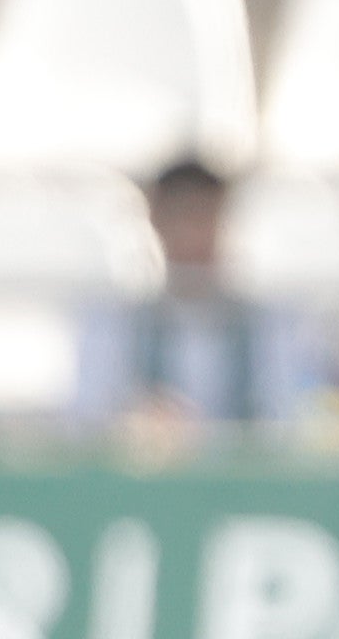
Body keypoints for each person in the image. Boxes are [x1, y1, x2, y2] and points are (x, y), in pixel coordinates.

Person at [79, 158, 325, 437]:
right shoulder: (112, 326)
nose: (191, 236)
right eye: (179, 218)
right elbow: (88, 423)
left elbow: (294, 421)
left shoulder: (275, 326)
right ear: (156, 222)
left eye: (203, 218)